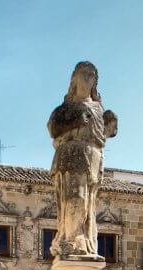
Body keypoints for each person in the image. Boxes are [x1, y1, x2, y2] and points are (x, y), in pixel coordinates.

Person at [47, 61, 118, 258]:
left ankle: (84, 238)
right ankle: (71, 238)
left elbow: (104, 135)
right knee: (74, 198)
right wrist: (77, 119)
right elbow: (52, 128)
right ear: (74, 78)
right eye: (83, 73)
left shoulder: (98, 109)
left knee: (88, 204)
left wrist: (109, 124)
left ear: (95, 81)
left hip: (92, 159)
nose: (87, 78)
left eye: (92, 75)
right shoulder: (65, 108)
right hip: (71, 157)